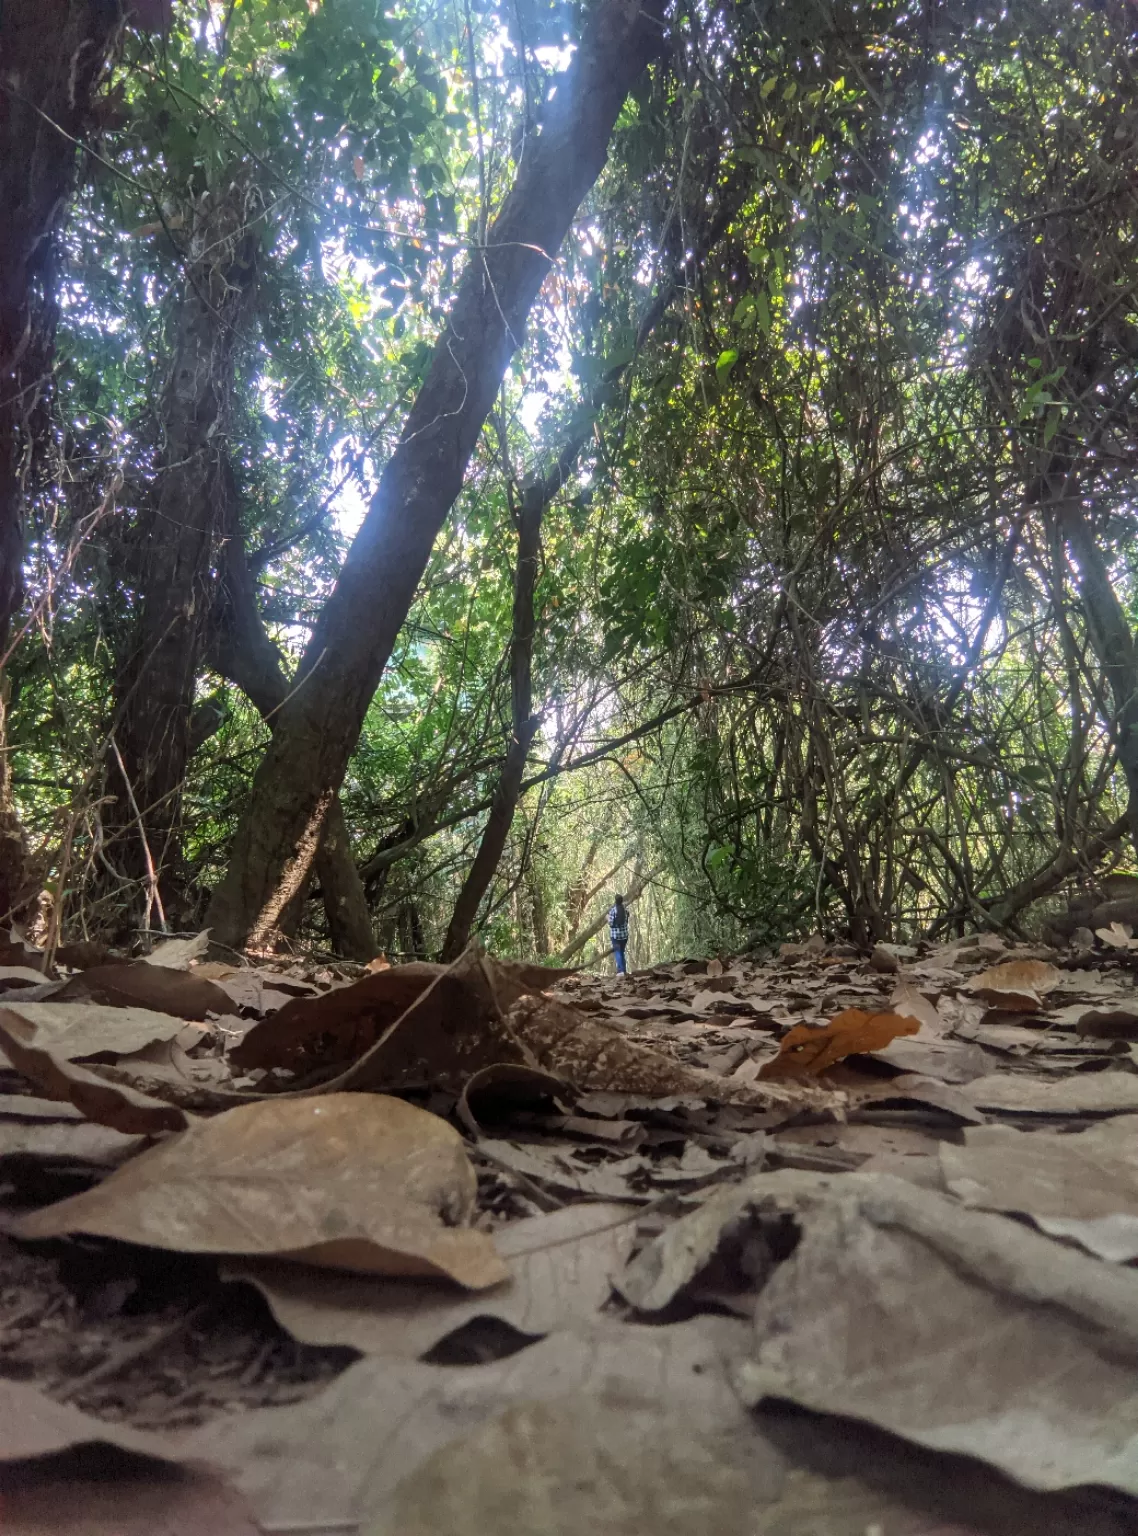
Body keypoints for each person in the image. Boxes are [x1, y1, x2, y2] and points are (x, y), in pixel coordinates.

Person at [608, 893, 629, 975]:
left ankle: (620, 971)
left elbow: (611, 923)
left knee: (618, 952)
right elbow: (626, 922)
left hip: (615, 936)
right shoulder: (625, 910)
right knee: (622, 952)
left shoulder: (613, 910)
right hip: (624, 936)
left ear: (615, 901)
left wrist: (607, 918)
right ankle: (623, 970)